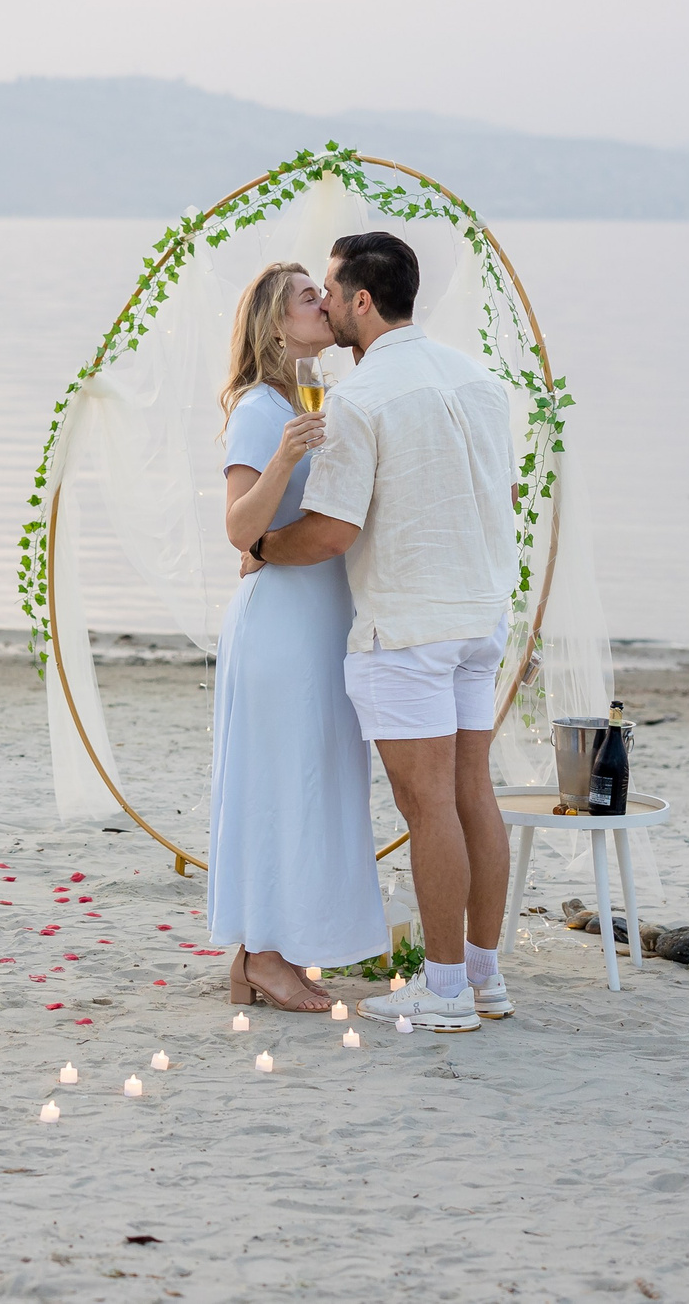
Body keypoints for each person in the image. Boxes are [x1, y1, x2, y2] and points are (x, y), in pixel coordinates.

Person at [245, 231, 518, 1033]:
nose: (324, 303)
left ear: (362, 299)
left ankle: (442, 990)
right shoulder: (480, 380)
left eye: (330, 290)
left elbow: (329, 531)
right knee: (474, 795)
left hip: (408, 629)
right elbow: (498, 491)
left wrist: (262, 547)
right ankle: (484, 976)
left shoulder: (359, 401)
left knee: (428, 807)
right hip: (480, 617)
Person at [208, 262, 390, 1011]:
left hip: (323, 617)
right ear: (276, 324)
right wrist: (284, 454)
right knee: (280, 781)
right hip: (281, 622)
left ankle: (266, 950)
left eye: (325, 291)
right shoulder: (259, 409)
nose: (325, 303)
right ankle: (263, 955)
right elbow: (239, 530)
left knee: (310, 777)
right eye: (309, 297)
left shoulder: (316, 396)